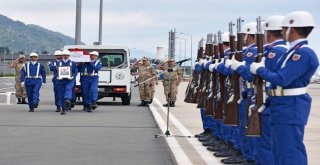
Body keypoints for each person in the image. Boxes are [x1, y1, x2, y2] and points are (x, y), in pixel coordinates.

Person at [250, 11, 319, 165]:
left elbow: (282, 79)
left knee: (290, 152)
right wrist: (266, 103)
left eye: (284, 29)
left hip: (291, 107)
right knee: (279, 150)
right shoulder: (292, 52)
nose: (281, 32)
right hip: (281, 106)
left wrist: (259, 70)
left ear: (291, 30)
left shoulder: (304, 54)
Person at [254, 15, 288, 165]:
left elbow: (276, 78)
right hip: (272, 99)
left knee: (268, 141)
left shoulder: (276, 52)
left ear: (268, 33)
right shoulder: (280, 50)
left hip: (277, 101)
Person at [55, 50, 78, 115]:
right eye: (64, 55)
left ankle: (67, 99)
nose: (66, 56)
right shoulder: (58, 63)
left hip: (69, 80)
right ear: (62, 56)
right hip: (61, 80)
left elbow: (75, 71)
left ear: (69, 56)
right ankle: (63, 109)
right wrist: (57, 76)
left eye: (67, 55)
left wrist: (72, 76)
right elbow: (55, 71)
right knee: (61, 95)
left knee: (68, 88)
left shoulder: (73, 63)